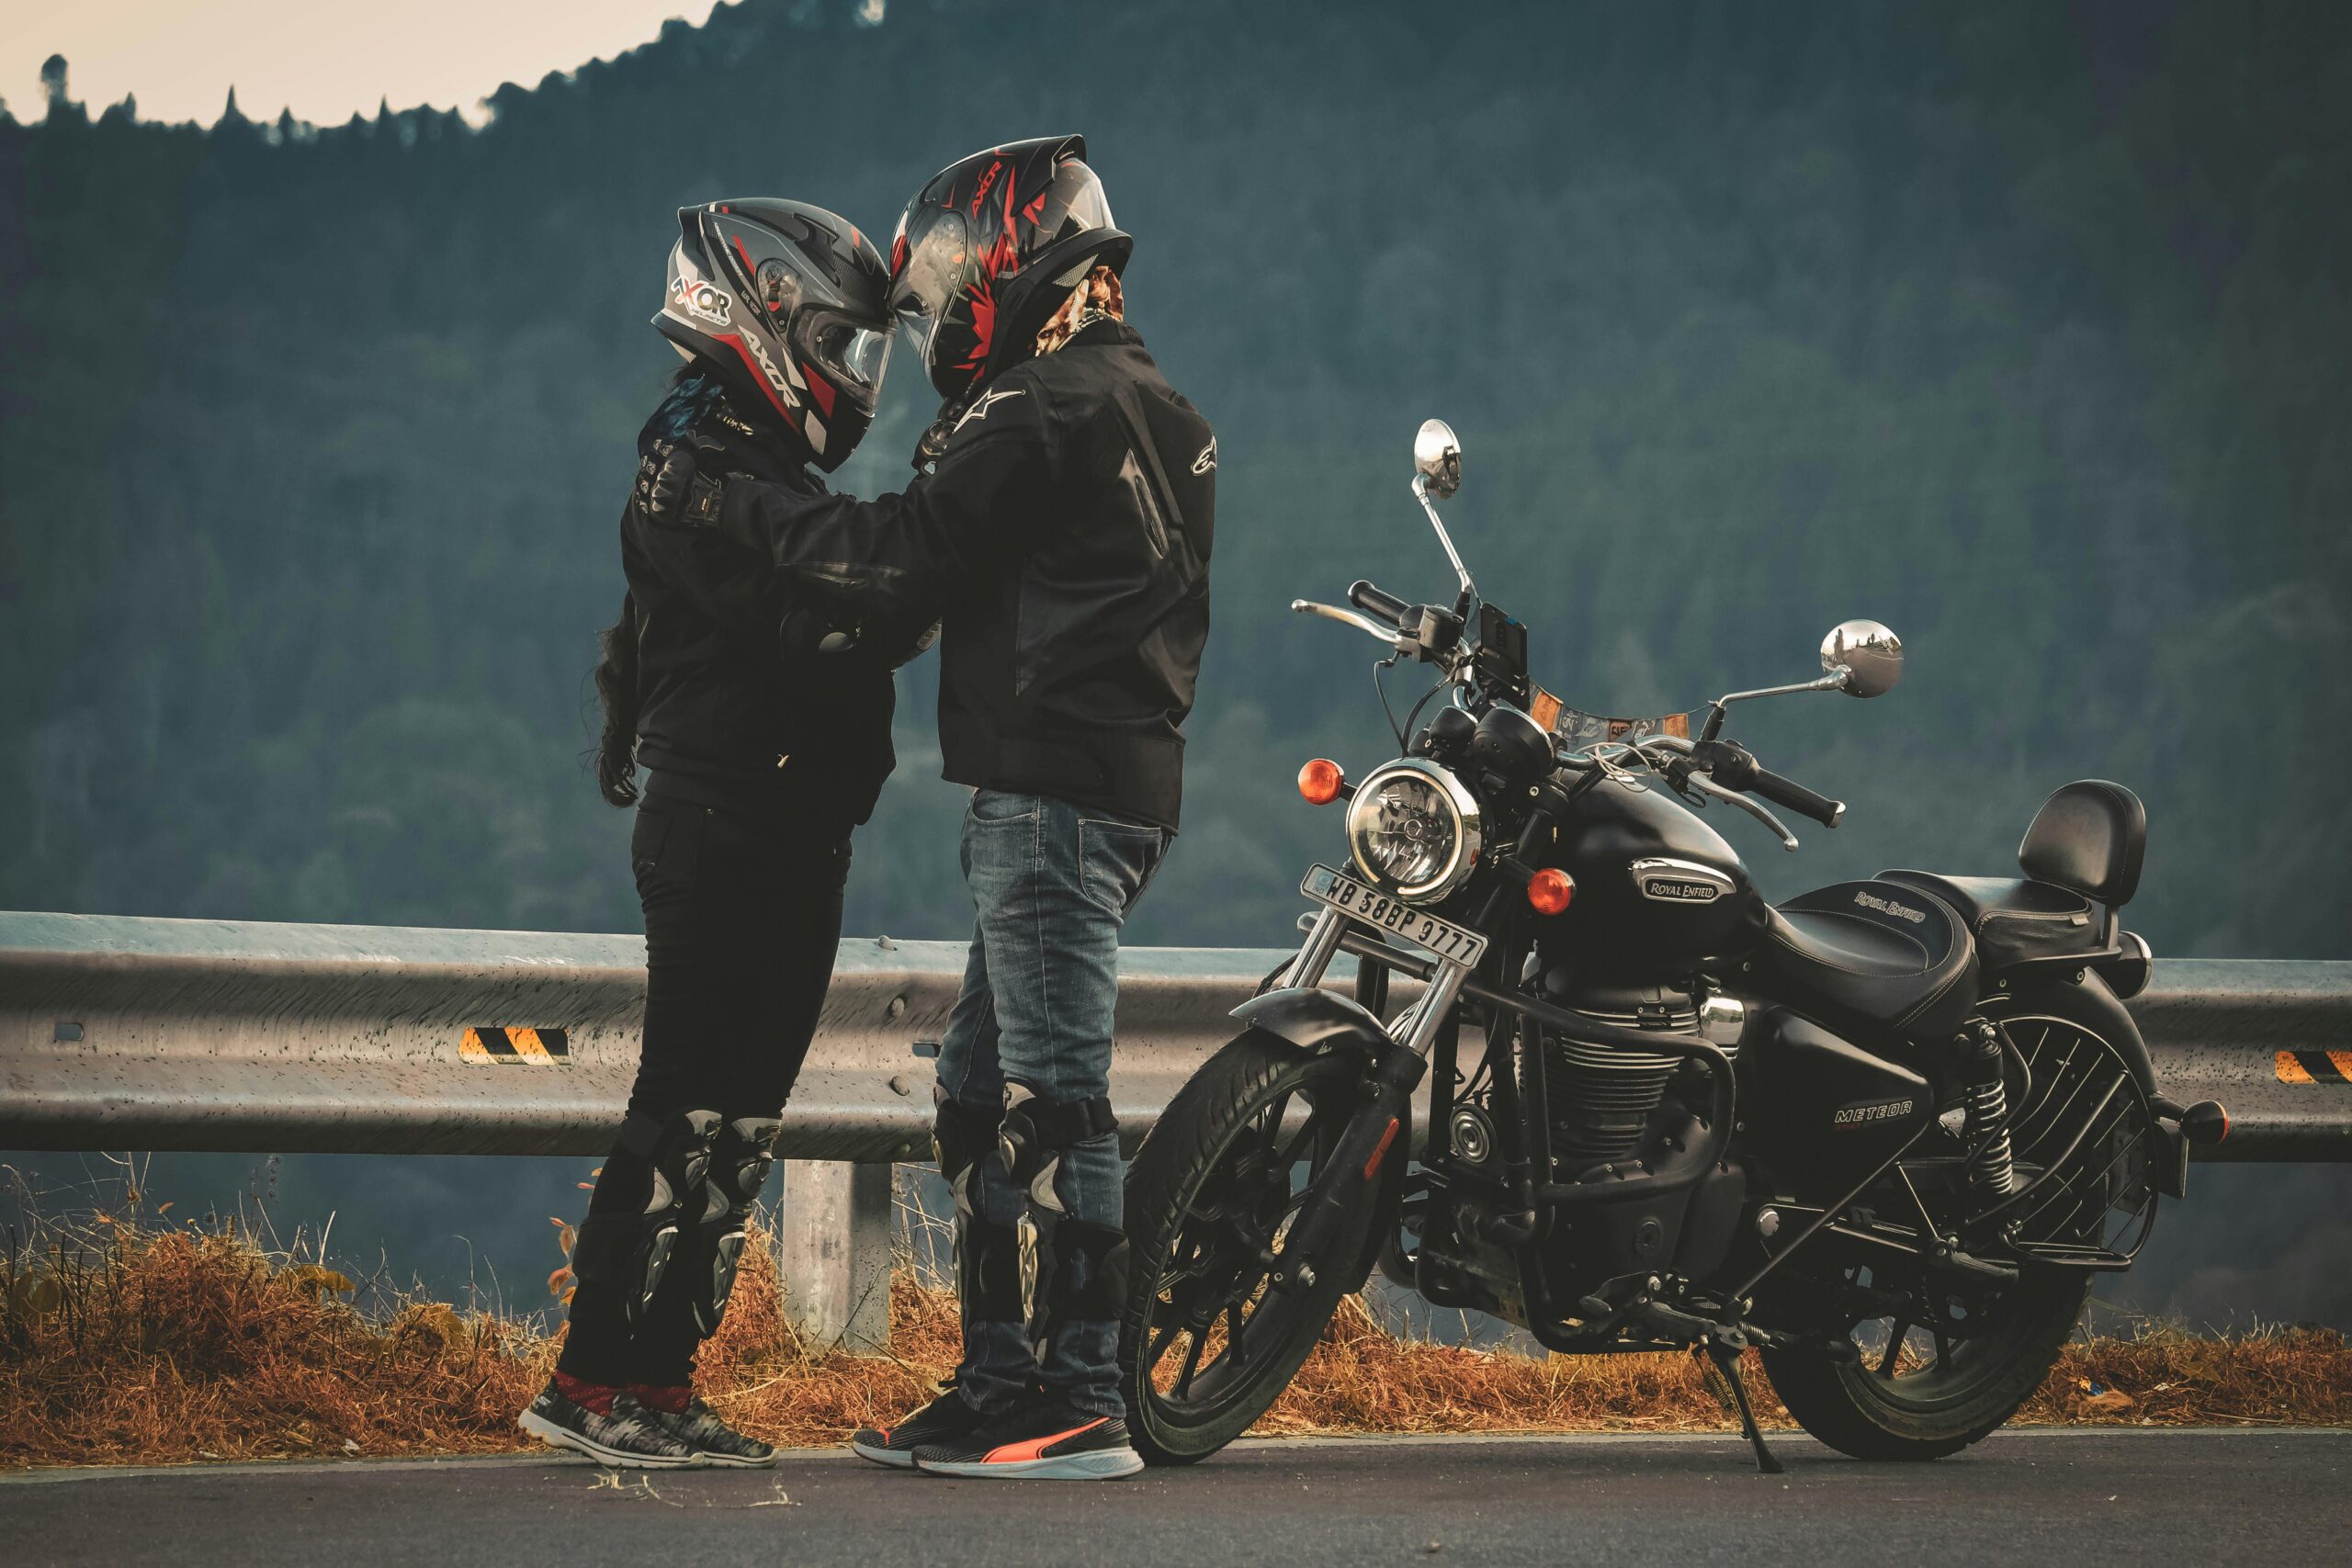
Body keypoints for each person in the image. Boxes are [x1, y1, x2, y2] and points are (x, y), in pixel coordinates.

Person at [645, 134, 1215, 1481]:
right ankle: (996, 1379)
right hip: (1116, 790)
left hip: (1052, 798)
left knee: (1047, 1094)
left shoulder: (1037, 408)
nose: (946, 305)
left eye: (956, 272)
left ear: (1016, 257)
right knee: (975, 1090)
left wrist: (732, 502)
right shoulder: (1158, 405)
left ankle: (1076, 1397)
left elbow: (895, 562)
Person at [518, 197, 917, 1469]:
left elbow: (848, 600)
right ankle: (588, 1381)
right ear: (763, 320)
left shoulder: (756, 463)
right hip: (723, 813)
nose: (852, 376)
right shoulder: (692, 457)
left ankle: (660, 1380)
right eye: (839, 344)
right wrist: (886, 594)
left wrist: (875, 605)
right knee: (682, 1110)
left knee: (739, 1127)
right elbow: (823, 606)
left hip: (792, 818)